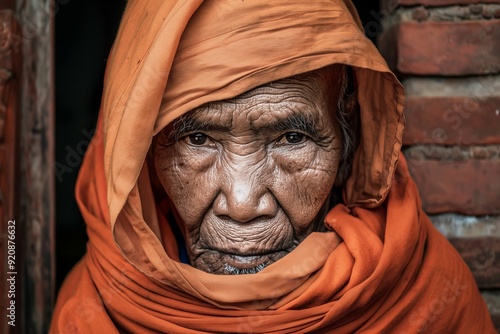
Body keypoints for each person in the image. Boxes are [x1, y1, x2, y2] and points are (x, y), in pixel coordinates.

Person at [50, 0, 496, 333]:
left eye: (292, 138)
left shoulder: (426, 297)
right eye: (199, 139)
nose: (243, 204)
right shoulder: (91, 313)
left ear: (349, 145)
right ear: (144, 159)